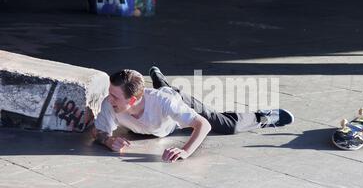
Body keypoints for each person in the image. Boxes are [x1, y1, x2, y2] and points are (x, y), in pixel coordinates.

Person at [91, 67, 294, 162]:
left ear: (133, 100)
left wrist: (185, 151)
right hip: (153, 125)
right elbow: (98, 132)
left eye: (115, 97)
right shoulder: (110, 104)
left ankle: (263, 117)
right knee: (163, 97)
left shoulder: (166, 103)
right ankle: (161, 81)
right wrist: (107, 141)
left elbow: (202, 125)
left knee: (226, 125)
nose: (109, 100)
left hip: (174, 103)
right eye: (110, 94)